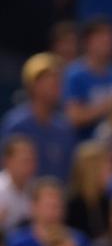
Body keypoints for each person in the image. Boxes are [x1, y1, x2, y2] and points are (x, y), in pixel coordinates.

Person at [0, 53, 77, 182]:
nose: (55, 85)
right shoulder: (16, 124)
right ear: (32, 84)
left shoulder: (64, 127)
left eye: (58, 80)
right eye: (48, 79)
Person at [62, 17, 112, 141]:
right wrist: (108, 106)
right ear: (87, 42)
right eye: (101, 37)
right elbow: (73, 117)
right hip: (86, 144)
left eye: (110, 36)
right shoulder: (75, 74)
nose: (107, 40)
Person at [0, 134, 37, 232]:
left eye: (32, 161)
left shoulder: (36, 188)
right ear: (7, 161)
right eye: (24, 161)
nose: (30, 166)